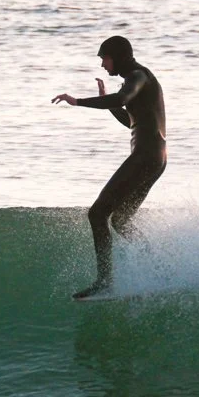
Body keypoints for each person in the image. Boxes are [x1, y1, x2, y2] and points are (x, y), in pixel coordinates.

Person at [51, 36, 167, 299]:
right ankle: (161, 267)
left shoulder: (138, 76)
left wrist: (78, 101)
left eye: (105, 58)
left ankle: (105, 282)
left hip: (146, 156)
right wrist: (109, 103)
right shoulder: (137, 80)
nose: (103, 64)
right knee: (120, 221)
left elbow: (122, 98)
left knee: (97, 214)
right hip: (155, 158)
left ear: (119, 56)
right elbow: (131, 121)